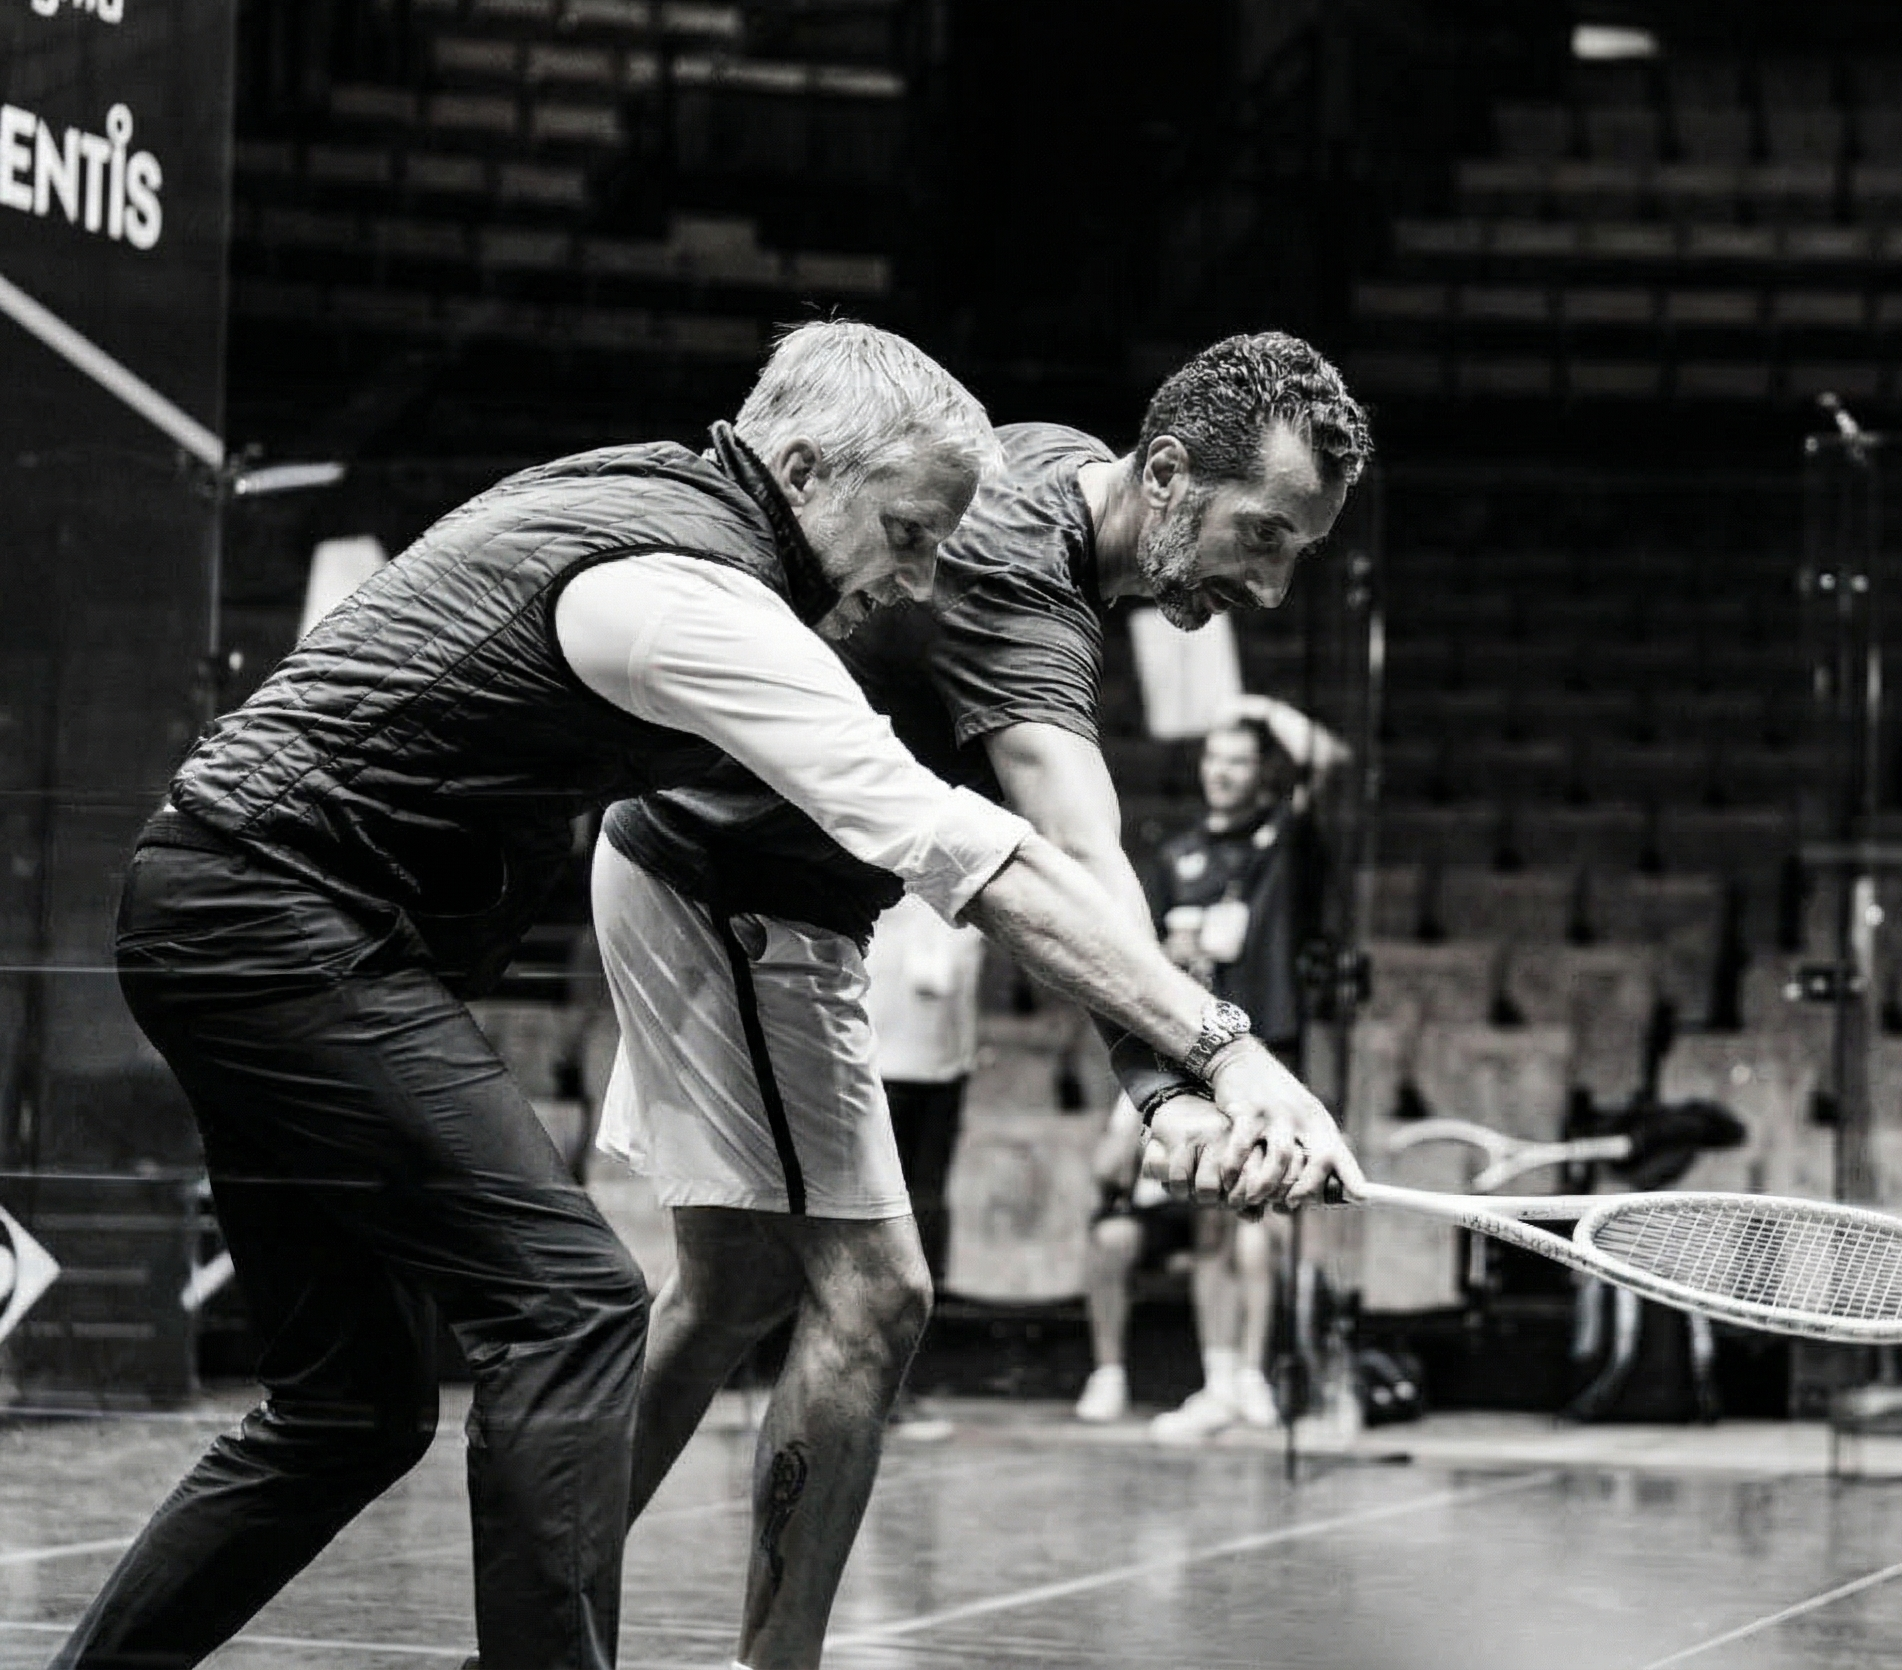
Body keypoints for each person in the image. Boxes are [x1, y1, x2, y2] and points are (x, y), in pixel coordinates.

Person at [60, 320, 1295, 1670]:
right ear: (809, 467)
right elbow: (965, 842)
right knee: (579, 1302)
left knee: (352, 1408)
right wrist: (1212, 1056)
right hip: (278, 918)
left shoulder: (658, 497)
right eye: (908, 532)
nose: (922, 575)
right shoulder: (701, 600)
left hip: (249, 906)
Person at [591, 332, 1374, 1667]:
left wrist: (1169, 1078)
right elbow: (1081, 854)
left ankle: (542, 1597)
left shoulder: (1065, 466)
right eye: (1264, 535)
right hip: (730, 892)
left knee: (727, 1292)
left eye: (1298, 550)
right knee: (873, 1297)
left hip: (719, 875)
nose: (1275, 584)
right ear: (1169, 475)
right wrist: (1181, 1079)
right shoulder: (1019, 585)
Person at [1076, 702, 1338, 1437]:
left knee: (1261, 1222)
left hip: (1268, 1051)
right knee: (1211, 1224)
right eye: (1212, 758)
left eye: (1239, 760)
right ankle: (1221, 1378)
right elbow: (1138, 962)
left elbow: (1332, 769)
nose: (1221, 773)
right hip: (1192, 1054)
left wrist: (1261, 711)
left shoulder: (1285, 841)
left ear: (1265, 774)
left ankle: (1254, 1377)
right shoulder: (1176, 852)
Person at [869, 891, 988, 1440]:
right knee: (873, 1226)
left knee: (927, 1221)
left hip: (944, 1070)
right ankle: (866, 1385)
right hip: (874, 1066)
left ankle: (900, 1385)